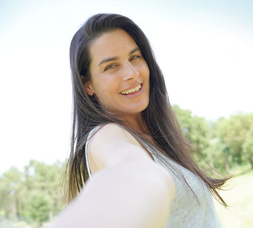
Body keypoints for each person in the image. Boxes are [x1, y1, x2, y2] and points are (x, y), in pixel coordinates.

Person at [52, 13, 228, 228]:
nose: (132, 73)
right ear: (87, 84)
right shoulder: (105, 135)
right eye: (111, 66)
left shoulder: (156, 136)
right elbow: (130, 168)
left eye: (135, 57)